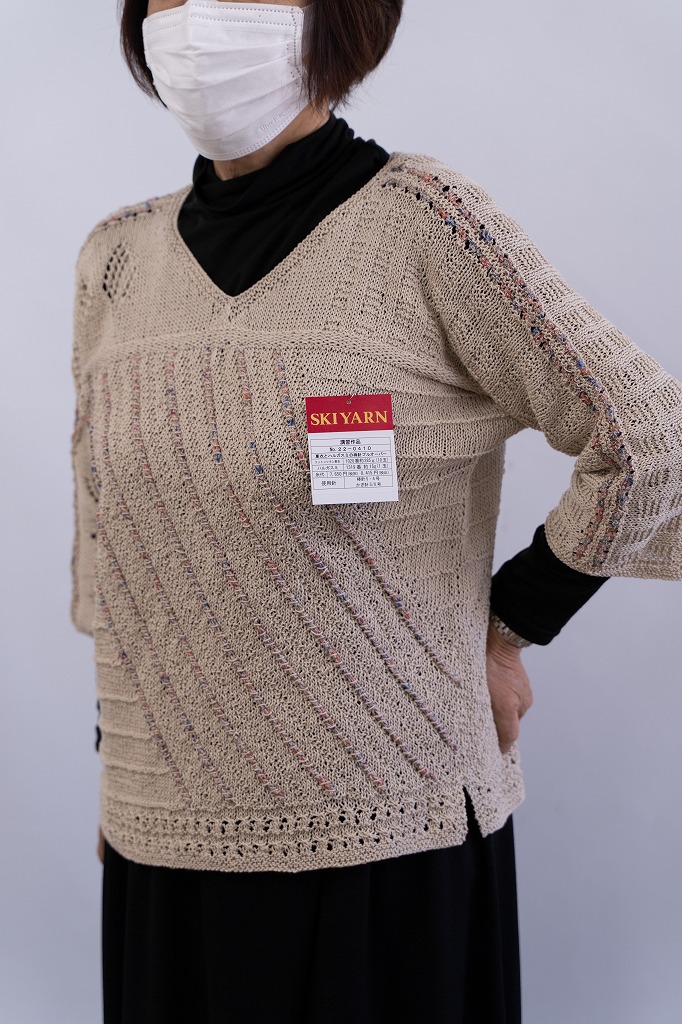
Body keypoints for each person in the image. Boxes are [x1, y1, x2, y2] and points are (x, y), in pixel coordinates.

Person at [70, 1, 682, 1021]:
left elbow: (651, 437)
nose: (198, 19)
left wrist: (510, 624)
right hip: (161, 835)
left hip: (385, 831)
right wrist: (119, 760)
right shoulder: (115, 258)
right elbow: (110, 538)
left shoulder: (427, 224)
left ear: (335, 18)